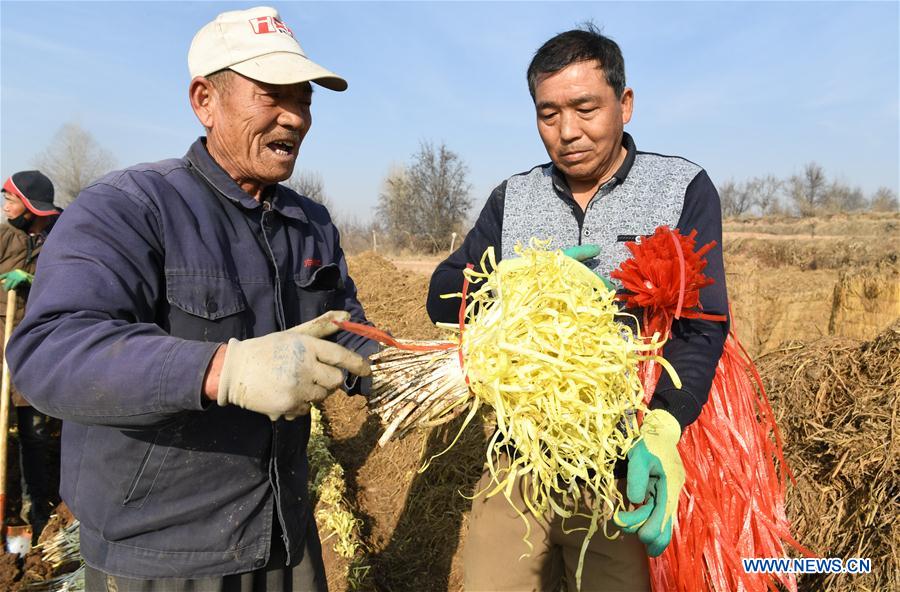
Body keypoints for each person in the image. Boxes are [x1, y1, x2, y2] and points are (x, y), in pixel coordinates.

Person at [6, 6, 378, 590]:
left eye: (303, 98)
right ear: (205, 100)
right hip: (162, 553)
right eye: (271, 95)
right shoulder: (128, 207)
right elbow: (51, 350)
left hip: (286, 534)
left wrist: (416, 366)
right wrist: (222, 370)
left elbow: (346, 325)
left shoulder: (311, 224)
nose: (295, 117)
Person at [426, 25, 729, 591]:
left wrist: (664, 424)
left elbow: (703, 324)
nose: (567, 132)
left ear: (625, 105)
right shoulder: (514, 197)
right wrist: (519, 282)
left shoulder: (682, 188)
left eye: (586, 108)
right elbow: (444, 293)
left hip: (620, 462)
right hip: (518, 460)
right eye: (548, 114)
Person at [1, 170, 61, 542]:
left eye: (10, 198)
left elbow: (72, 284)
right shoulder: (3, 237)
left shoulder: (60, 241)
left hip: (38, 351)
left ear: (29, 206)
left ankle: (35, 513)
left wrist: (33, 281)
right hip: (1, 347)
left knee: (36, 436)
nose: (5, 205)